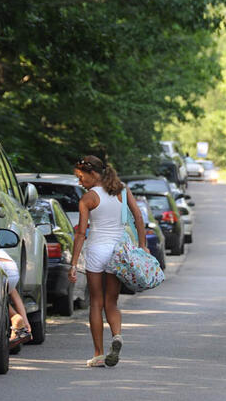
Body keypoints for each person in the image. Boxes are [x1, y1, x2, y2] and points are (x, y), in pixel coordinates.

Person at [68, 155, 148, 367]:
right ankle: (117, 336)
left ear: (93, 174)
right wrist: (142, 245)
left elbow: (81, 234)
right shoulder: (122, 190)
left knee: (96, 301)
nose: (79, 182)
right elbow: (138, 216)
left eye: (81, 177)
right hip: (118, 252)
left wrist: (74, 263)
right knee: (111, 301)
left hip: (96, 251)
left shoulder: (88, 199)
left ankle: (99, 354)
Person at [0, 249, 33, 349]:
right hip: (12, 269)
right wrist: (26, 322)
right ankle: (19, 321)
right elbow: (16, 297)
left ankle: (15, 318)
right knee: (6, 295)